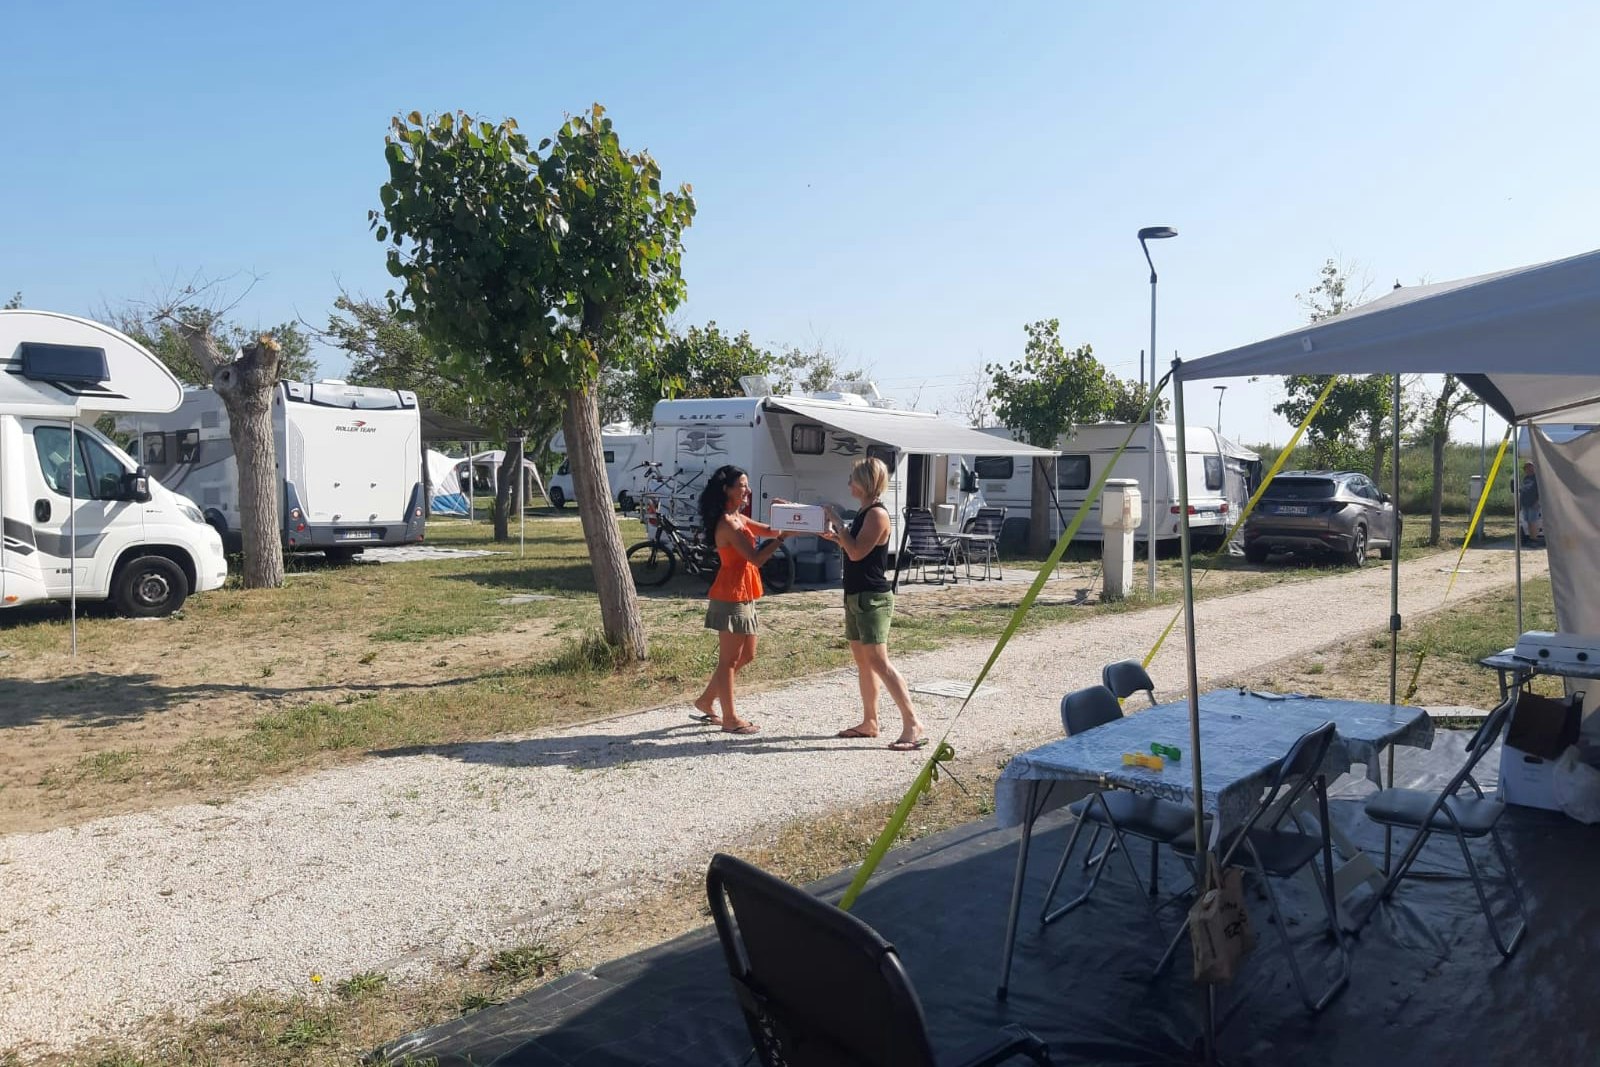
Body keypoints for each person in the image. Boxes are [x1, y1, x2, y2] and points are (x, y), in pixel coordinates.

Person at [822, 457, 927, 751]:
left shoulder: (877, 515)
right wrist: (836, 536)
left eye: (853, 479)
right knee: (863, 662)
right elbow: (855, 548)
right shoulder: (864, 512)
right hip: (855, 595)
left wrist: (839, 526)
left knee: (879, 662)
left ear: (866, 482)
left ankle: (912, 722)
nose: (849, 484)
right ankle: (870, 722)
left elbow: (856, 553)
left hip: (873, 598)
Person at [692, 465, 792, 735]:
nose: (747, 490)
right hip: (731, 595)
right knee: (729, 660)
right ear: (727, 490)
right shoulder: (726, 523)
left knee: (747, 654)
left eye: (747, 485)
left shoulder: (738, 518)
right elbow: (757, 558)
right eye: (742, 486)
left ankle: (705, 700)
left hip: (745, 592)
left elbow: (770, 531)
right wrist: (782, 538)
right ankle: (730, 718)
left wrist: (785, 515)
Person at [1520, 461, 1543, 542]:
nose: (1528, 469)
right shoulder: (1525, 478)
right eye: (1526, 467)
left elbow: (1542, 490)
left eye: (1530, 467)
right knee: (1528, 522)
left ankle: (1535, 539)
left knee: (1533, 521)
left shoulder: (1538, 478)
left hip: (1534, 503)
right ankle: (1531, 538)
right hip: (1525, 504)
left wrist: (1538, 502)